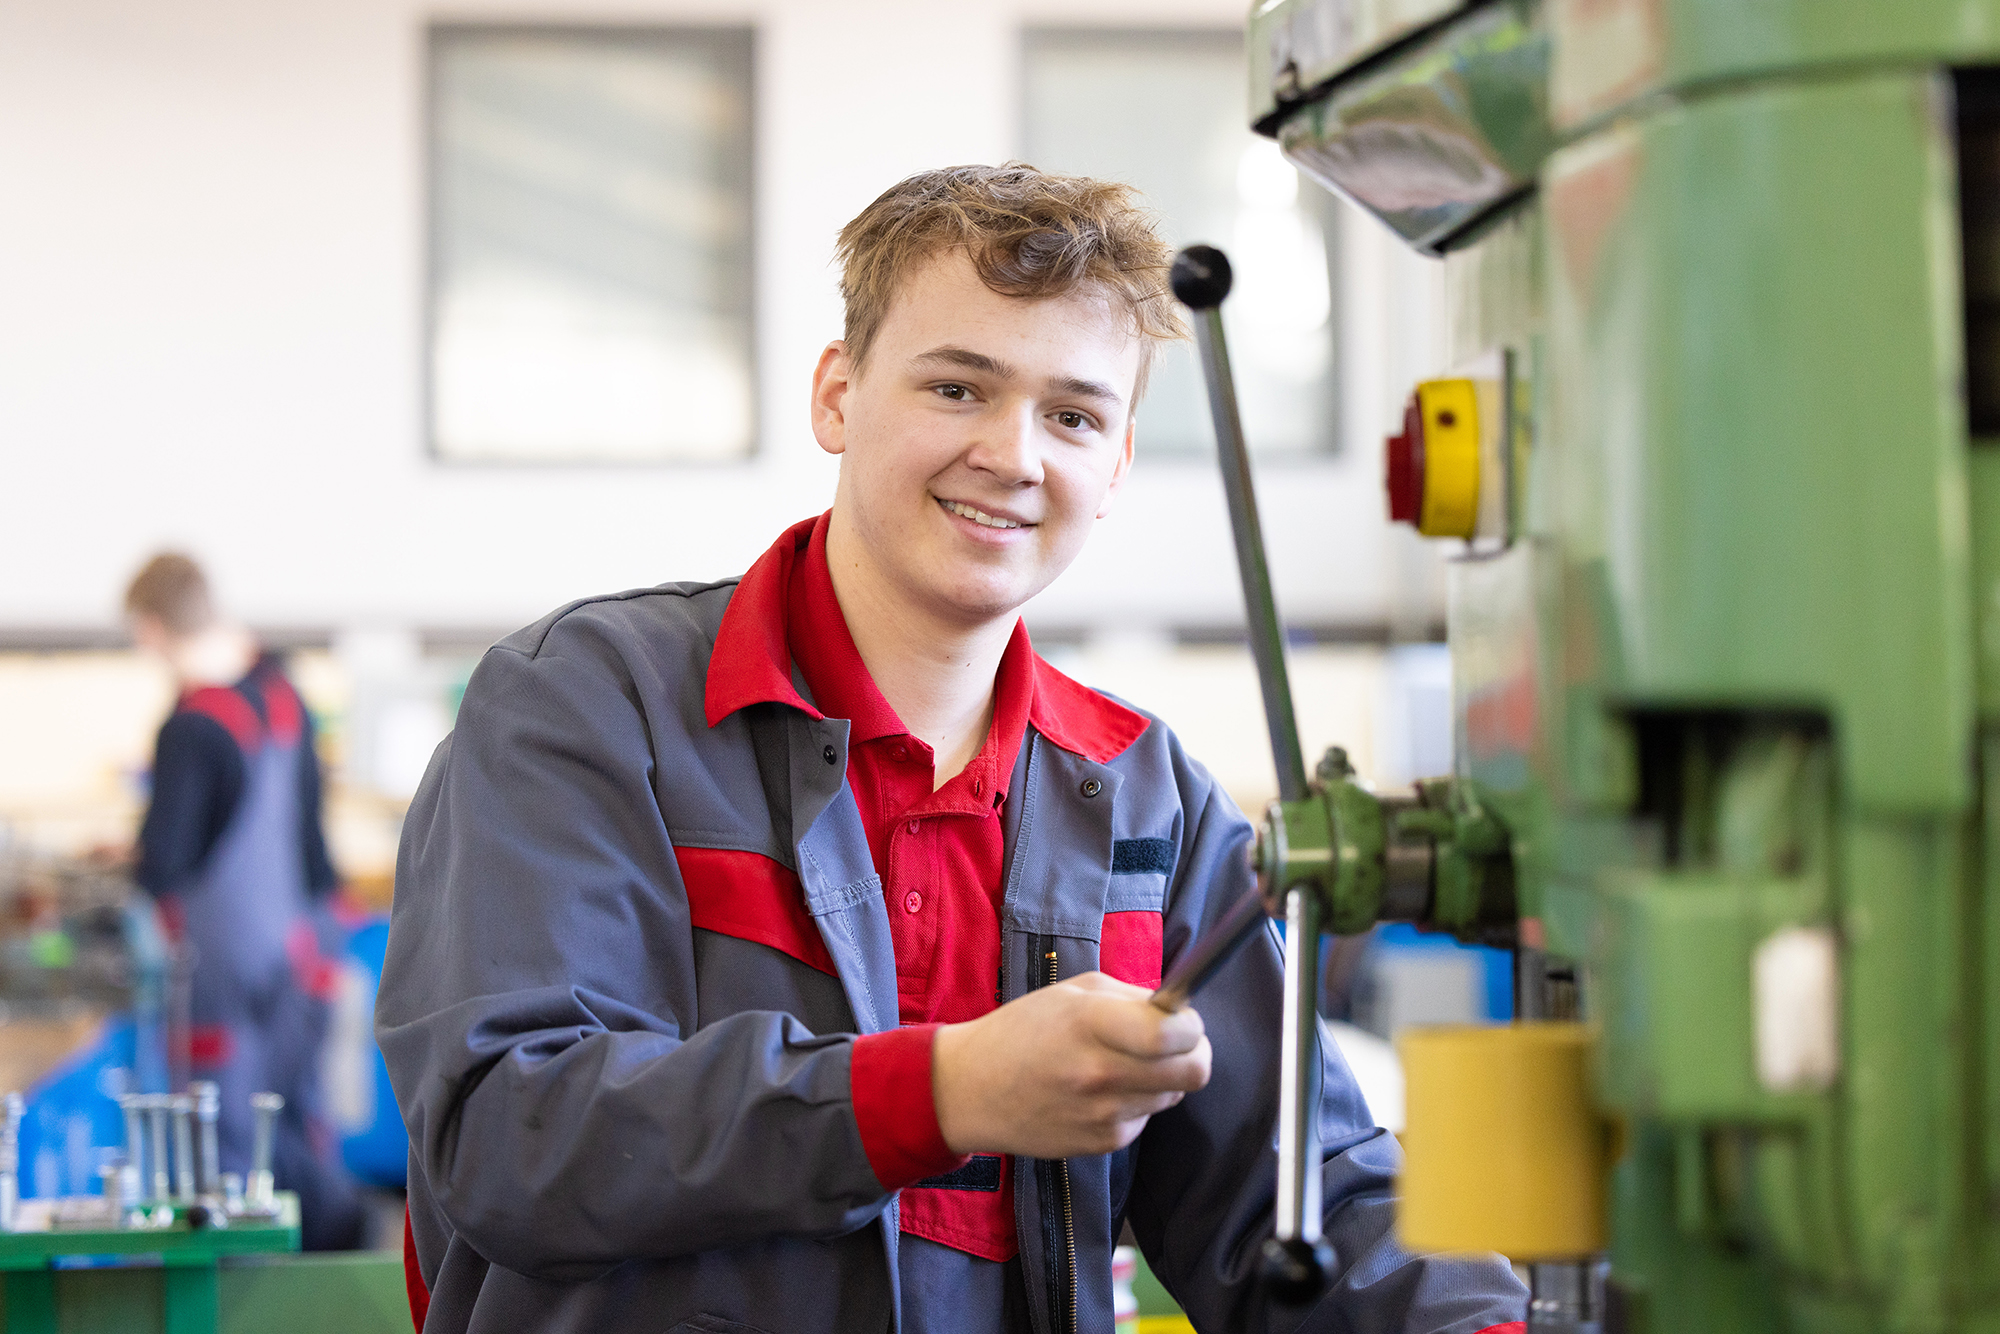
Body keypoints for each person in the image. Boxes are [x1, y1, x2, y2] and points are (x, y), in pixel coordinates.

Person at [379, 165, 1527, 1332]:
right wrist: (939, 1090)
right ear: (837, 394)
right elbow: (510, 1133)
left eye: (1072, 414)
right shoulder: (588, 705)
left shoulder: (1145, 800)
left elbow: (1298, 1194)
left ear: (1118, 461)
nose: (1013, 455)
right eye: (958, 386)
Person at [126, 552, 365, 1250]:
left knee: (225, 1144)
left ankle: (241, 1303)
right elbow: (309, 832)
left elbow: (160, 865)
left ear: (151, 630)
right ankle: (333, 1282)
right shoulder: (281, 693)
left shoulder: (191, 729)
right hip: (302, 945)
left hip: (224, 967)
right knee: (295, 1121)